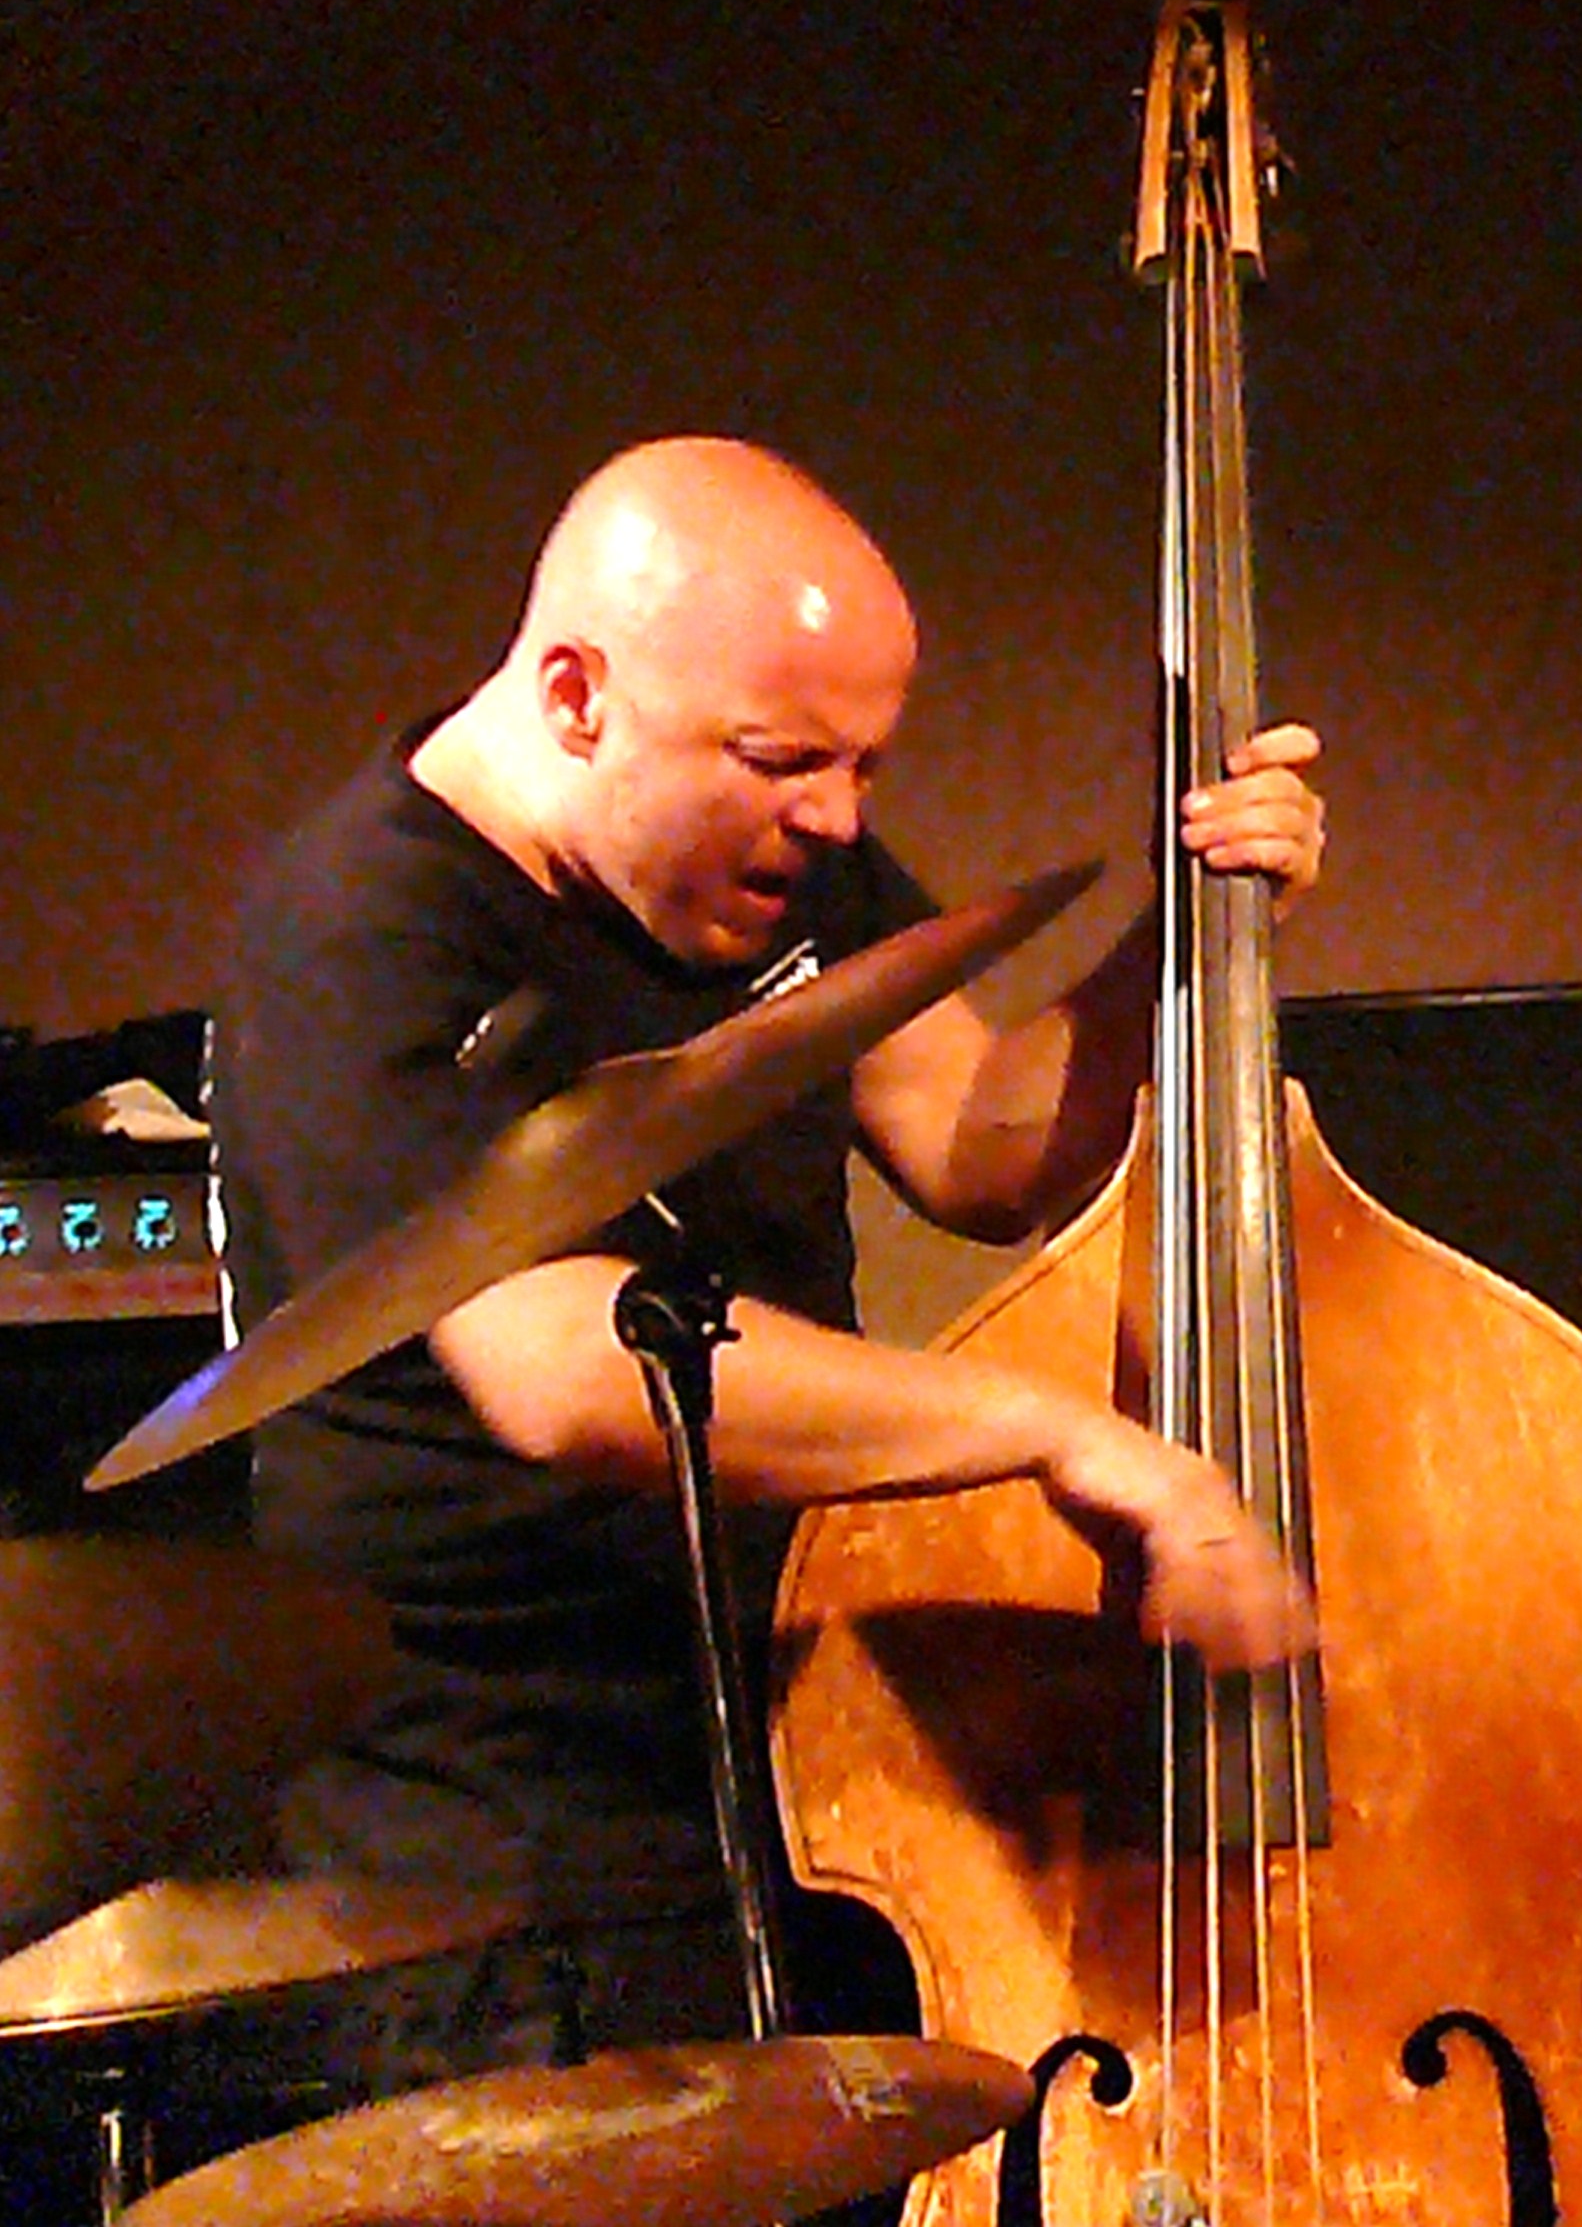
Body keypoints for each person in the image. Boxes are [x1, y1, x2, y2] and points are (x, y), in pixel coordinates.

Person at [209, 433, 1326, 2094]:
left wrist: (1193, 929)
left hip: (790, 1785)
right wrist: (1063, 1432)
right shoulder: (363, 928)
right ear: (577, 696)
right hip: (495, 1872)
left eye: (865, 766)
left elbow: (978, 1146)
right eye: (785, 760)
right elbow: (564, 1370)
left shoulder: (779, 862)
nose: (835, 815)